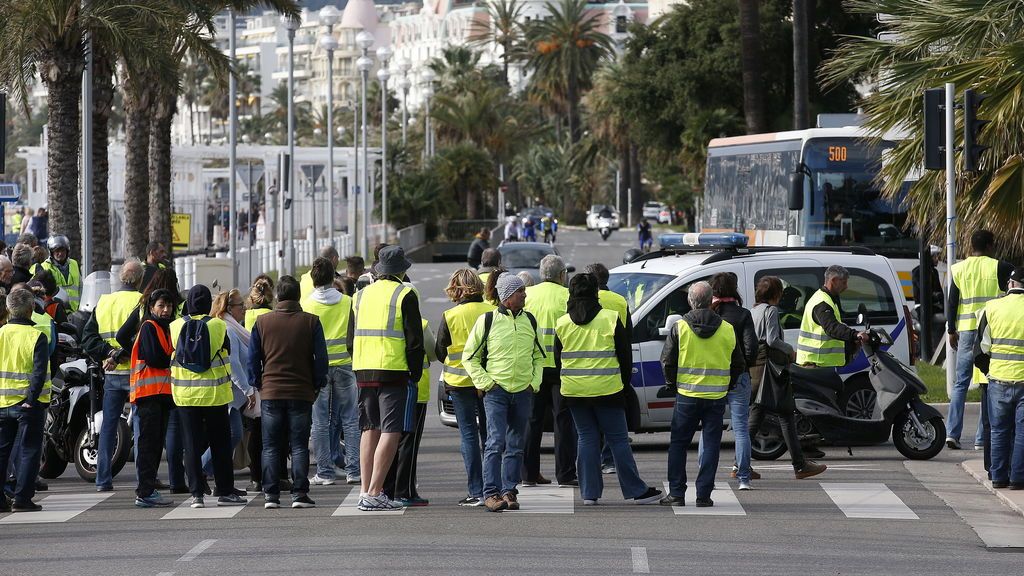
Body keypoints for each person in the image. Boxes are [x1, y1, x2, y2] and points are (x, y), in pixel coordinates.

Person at [555, 273, 662, 505]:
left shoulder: (562, 323)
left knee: (586, 438)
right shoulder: (610, 318)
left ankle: (589, 494)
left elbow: (558, 360)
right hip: (608, 389)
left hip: (574, 391)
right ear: (596, 292)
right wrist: (623, 386)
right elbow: (625, 357)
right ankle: (636, 490)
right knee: (618, 440)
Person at [462, 273, 545, 512]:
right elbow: (469, 357)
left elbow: (539, 356)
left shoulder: (530, 320)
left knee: (516, 444)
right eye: (520, 291)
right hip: (496, 393)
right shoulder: (487, 320)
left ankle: (509, 490)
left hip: (523, 392)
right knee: (495, 442)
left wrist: (533, 383)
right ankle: (491, 493)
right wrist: (487, 384)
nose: (525, 295)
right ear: (508, 296)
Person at [352, 246, 424, 511]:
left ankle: (364, 490)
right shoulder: (405, 293)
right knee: (391, 430)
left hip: (363, 368)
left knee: (369, 428)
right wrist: (414, 373)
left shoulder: (359, 295)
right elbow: (414, 340)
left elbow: (350, 338)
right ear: (402, 270)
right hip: (393, 369)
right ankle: (375, 491)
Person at [659, 281, 744, 508]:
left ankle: (677, 493)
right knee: (711, 445)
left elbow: (667, 360)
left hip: (687, 395)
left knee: (678, 444)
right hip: (716, 397)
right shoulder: (727, 328)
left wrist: (672, 384)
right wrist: (728, 385)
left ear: (690, 301)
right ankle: (703, 495)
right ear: (711, 300)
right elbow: (738, 363)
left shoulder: (680, 327)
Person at [248, 276, 328, 509]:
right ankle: (299, 493)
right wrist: (316, 384)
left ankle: (271, 495)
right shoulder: (311, 322)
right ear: (298, 296)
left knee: (270, 445)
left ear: (277, 297)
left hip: (271, 391)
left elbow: (253, 359)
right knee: (299, 445)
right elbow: (321, 360)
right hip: (301, 391)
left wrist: (258, 383)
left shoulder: (262, 322)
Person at [169, 285, 247, 508]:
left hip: (185, 395)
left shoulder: (175, 326)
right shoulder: (217, 325)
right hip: (215, 395)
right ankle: (224, 490)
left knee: (191, 445)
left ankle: (197, 494)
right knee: (220, 443)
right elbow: (226, 351)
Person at [747, 276, 827, 480]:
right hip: (771, 369)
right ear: (776, 294)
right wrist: (790, 350)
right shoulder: (771, 311)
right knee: (785, 414)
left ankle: (740, 464)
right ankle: (800, 465)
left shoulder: (753, 311)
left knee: (756, 414)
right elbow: (773, 340)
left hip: (756, 367)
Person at [946, 230, 1014, 450]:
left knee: (960, 383)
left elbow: (952, 302)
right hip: (989, 330)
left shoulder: (959, 268)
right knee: (987, 383)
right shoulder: (999, 267)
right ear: (990, 245)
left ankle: (952, 433)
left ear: (971, 245)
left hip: (966, 330)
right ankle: (981, 439)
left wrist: (951, 329)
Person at [81, 258, 144, 492]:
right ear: (140, 279)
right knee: (140, 427)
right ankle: (143, 480)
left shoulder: (104, 301)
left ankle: (103, 479)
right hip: (136, 372)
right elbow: (143, 339)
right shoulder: (142, 302)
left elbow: (88, 338)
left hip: (112, 372)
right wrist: (120, 354)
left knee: (108, 426)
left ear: (121, 278)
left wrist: (109, 353)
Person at [436, 270, 495, 506]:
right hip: (489, 381)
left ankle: (476, 491)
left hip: (459, 383)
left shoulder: (450, 315)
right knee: (490, 435)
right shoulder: (492, 311)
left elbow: (440, 351)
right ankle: (493, 488)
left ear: (457, 289)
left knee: (468, 435)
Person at [302, 257, 360, 487]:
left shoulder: (307, 305)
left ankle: (325, 472)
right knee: (350, 420)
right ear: (333, 277)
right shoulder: (347, 302)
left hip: (318, 368)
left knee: (320, 422)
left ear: (313, 279)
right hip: (346, 364)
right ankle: (354, 470)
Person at [523, 255, 577, 488]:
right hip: (560, 365)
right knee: (562, 420)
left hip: (533, 366)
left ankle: (528, 473)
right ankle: (565, 474)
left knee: (532, 420)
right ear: (562, 275)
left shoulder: (528, 295)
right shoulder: (567, 296)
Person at [702, 272, 758, 490]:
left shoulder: (707, 314)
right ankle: (743, 477)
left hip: (712, 376)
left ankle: (706, 478)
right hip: (739, 376)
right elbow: (751, 348)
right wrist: (744, 365)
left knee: (708, 428)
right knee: (741, 428)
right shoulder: (742, 314)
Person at [125, 289, 177, 508]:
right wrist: (174, 357)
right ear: (152, 307)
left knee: (154, 446)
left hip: (160, 395)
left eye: (169, 306)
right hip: (148, 395)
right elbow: (156, 358)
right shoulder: (149, 326)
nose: (166, 310)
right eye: (161, 306)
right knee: (148, 445)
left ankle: (148, 490)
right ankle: (145, 491)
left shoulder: (165, 328)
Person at [974, 266, 1024, 489]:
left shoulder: (992, 307)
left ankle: (998, 477)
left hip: (998, 379)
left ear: (1010, 284)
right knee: (1022, 433)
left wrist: (990, 372)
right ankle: (1018, 479)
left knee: (999, 431)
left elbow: (980, 350)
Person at [0, 288, 50, 512]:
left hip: (2, 402)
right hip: (28, 404)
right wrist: (31, 399)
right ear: (31, 309)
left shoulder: (1, 333)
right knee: (29, 450)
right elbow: (38, 373)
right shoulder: (36, 336)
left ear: (9, 309)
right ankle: (22, 499)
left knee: (2, 452)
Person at [202, 290, 256, 482]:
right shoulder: (229, 330)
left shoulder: (233, 328)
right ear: (229, 308)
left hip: (231, 393)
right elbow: (233, 364)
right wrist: (247, 389)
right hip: (227, 393)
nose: (245, 308)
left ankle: (210, 471)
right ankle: (201, 468)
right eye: (241, 305)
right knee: (233, 434)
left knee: (230, 434)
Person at [384, 312, 434, 506]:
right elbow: (433, 353)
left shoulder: (385, 322)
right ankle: (405, 491)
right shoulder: (421, 324)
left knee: (390, 437)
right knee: (409, 443)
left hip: (390, 387)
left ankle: (389, 488)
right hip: (416, 388)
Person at [795, 265, 869, 368]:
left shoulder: (826, 298)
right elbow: (832, 327)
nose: (846, 287)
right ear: (834, 281)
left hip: (820, 363)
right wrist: (855, 334)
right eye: (844, 282)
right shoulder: (822, 302)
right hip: (816, 364)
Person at [33, 235, 81, 312]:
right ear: (51, 252)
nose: (60, 253)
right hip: (56, 312)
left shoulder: (74, 264)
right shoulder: (44, 267)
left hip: (75, 311)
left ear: (67, 251)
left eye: (63, 250)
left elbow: (80, 286)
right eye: (57, 251)